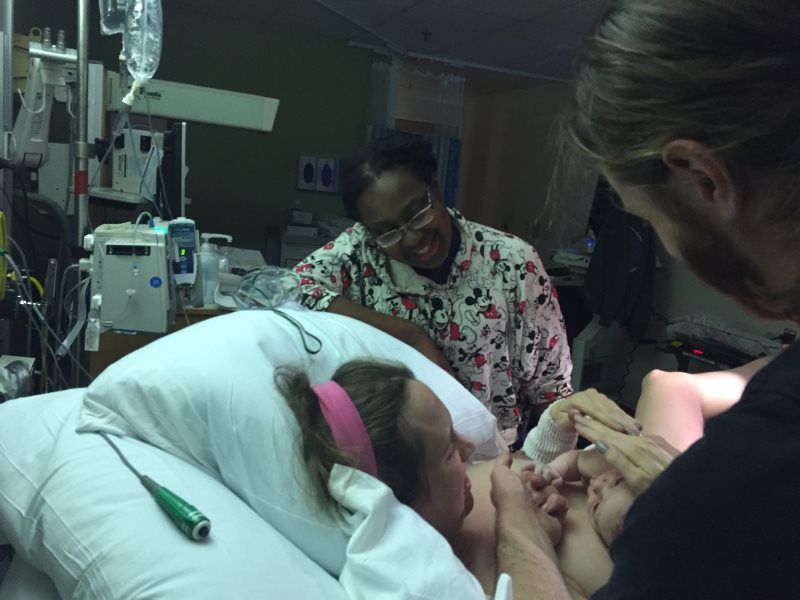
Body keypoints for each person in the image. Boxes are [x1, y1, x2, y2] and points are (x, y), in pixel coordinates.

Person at [490, 1, 800, 597]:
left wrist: (519, 527)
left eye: (648, 219)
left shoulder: (717, 510)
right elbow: (674, 388)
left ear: (702, 179)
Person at [294, 137, 573, 444]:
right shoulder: (359, 253)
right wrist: (409, 334)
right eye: (388, 231)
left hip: (496, 451)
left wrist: (546, 460)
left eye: (417, 213)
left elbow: (551, 387)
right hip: (406, 454)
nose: (412, 238)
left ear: (436, 190)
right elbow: (280, 289)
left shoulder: (512, 262)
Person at [275, 358, 571, 594]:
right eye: (448, 451)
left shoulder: (456, 501)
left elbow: (532, 464)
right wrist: (521, 523)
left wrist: (555, 435)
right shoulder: (416, 582)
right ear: (401, 501)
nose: (469, 447)